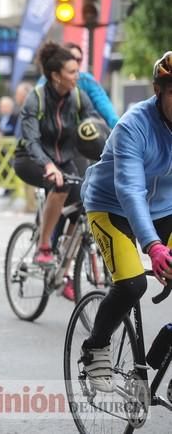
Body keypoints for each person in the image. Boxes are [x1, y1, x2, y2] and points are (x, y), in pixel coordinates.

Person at [78, 51, 172, 392]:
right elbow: (131, 190)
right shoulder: (134, 125)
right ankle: (95, 348)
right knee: (133, 284)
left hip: (164, 210)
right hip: (111, 207)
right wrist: (153, 246)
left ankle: (164, 349)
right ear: (159, 91)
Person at [13, 41, 97, 284]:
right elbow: (31, 140)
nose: (77, 76)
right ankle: (43, 247)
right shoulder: (35, 99)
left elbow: (94, 127)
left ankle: (64, 274)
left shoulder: (78, 98)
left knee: (83, 202)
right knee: (60, 186)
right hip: (30, 159)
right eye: (72, 72)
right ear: (55, 76)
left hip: (63, 159)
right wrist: (47, 165)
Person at [38, 42, 119, 128]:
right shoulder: (42, 87)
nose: (75, 63)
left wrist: (118, 126)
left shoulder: (85, 83)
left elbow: (104, 105)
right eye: (72, 58)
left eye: (79, 59)